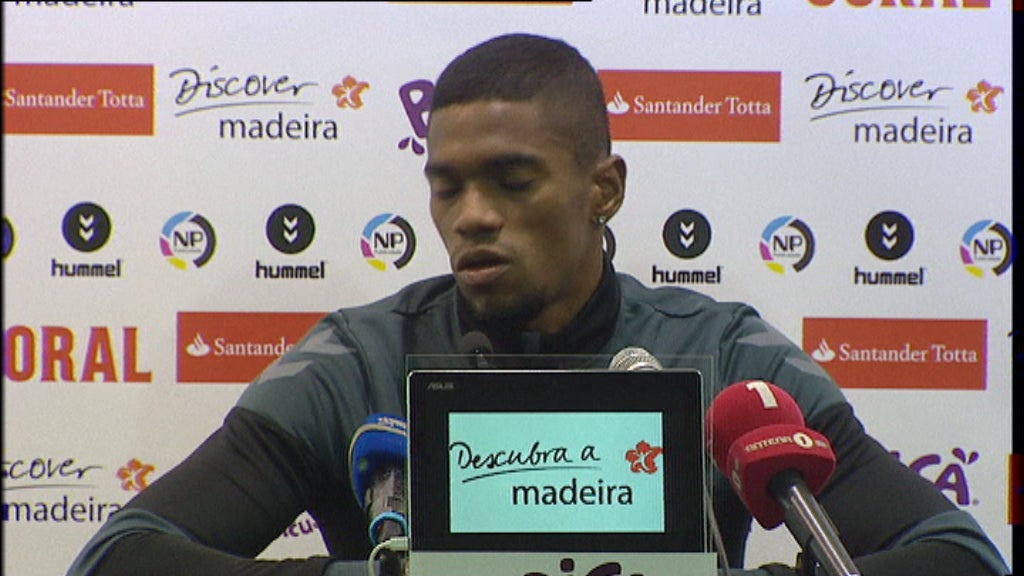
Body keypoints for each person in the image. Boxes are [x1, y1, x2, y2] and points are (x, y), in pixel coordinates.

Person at [67, 33, 1010, 576]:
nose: (472, 216)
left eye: (513, 182)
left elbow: (958, 555)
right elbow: (120, 558)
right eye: (447, 187)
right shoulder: (358, 360)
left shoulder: (726, 356)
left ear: (604, 188)